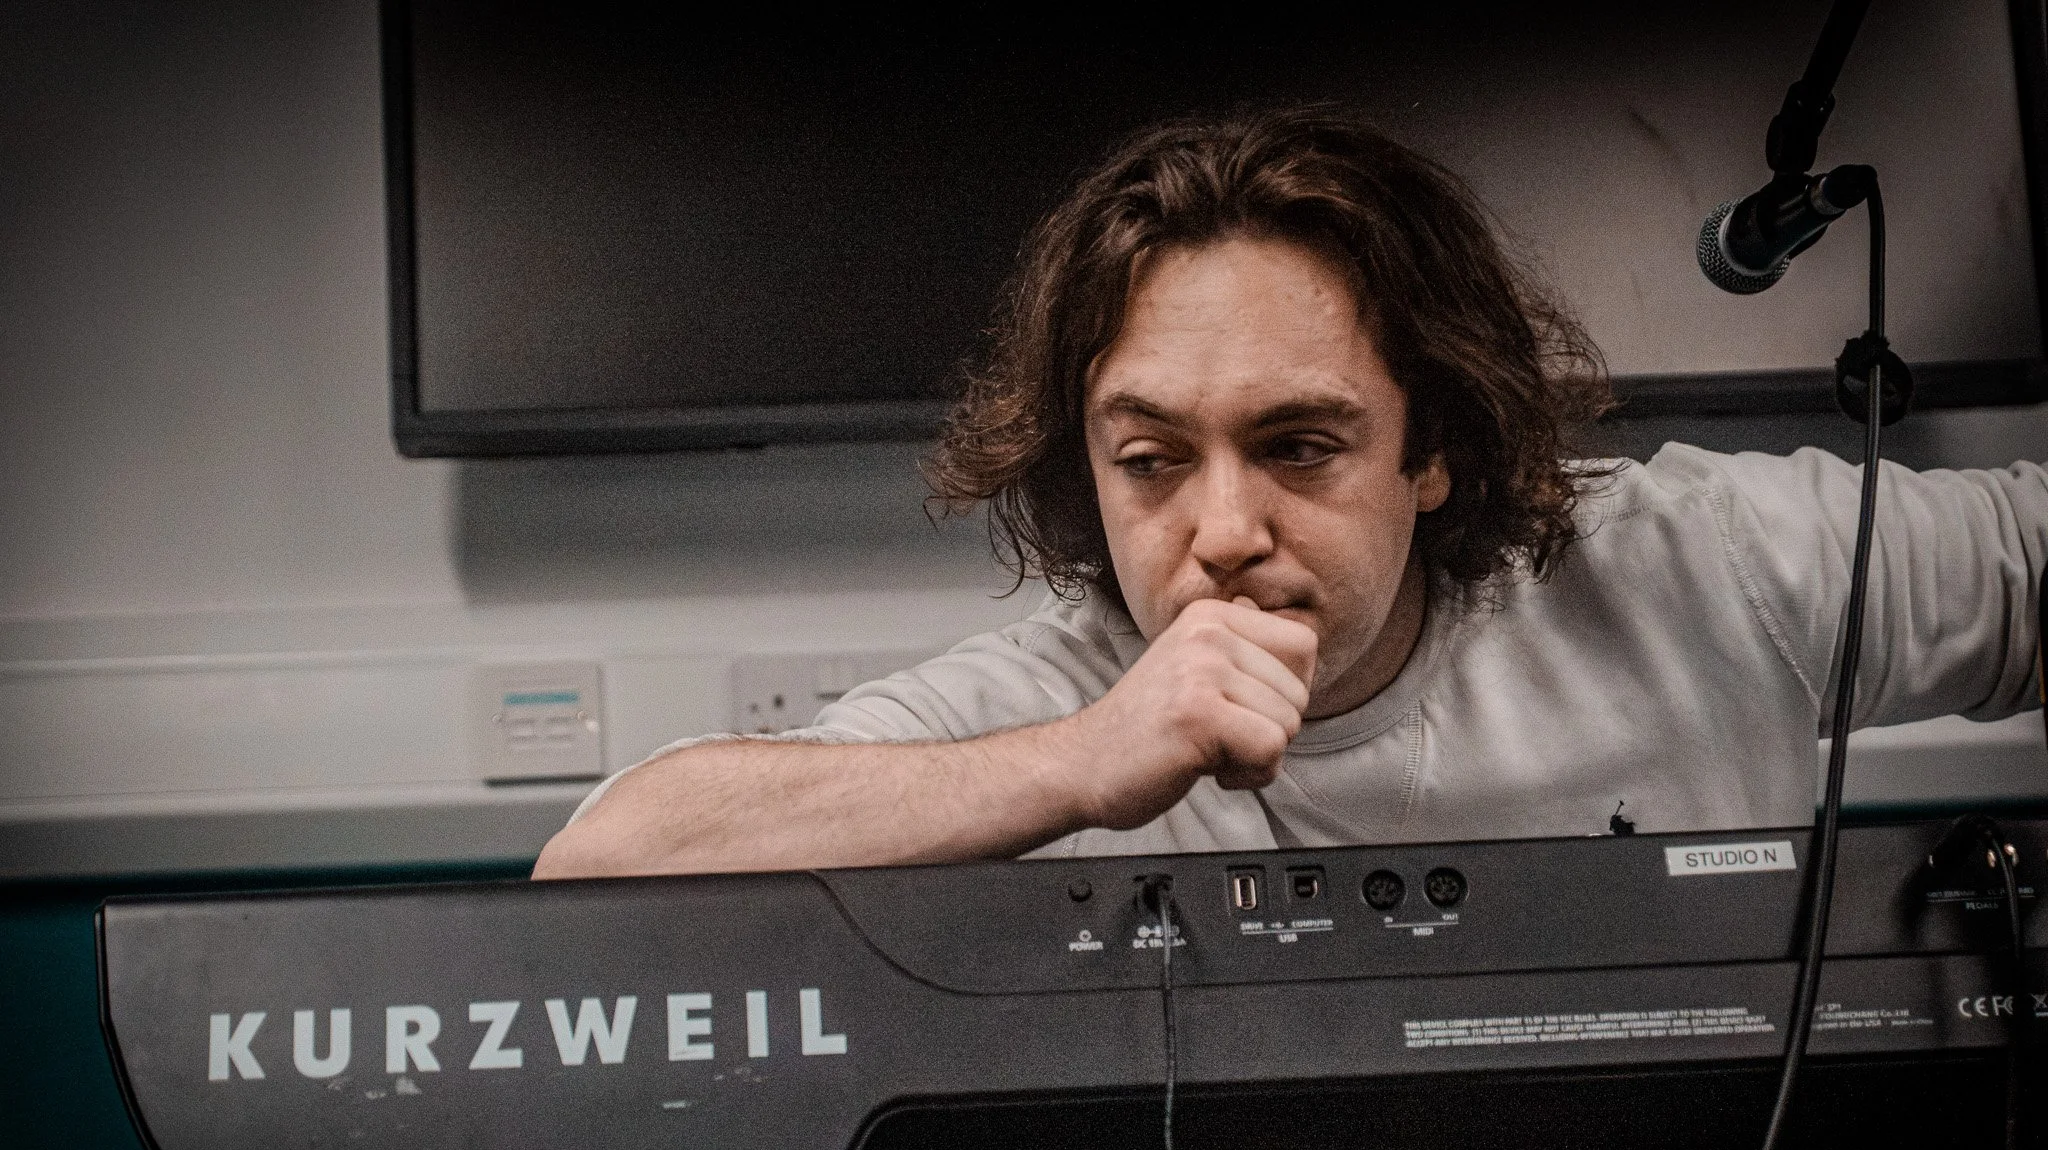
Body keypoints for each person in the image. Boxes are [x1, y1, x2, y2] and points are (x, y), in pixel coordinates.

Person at [532, 107, 2047, 881]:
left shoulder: (1705, 562)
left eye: (1301, 447)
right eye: (1150, 461)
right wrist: (1080, 764)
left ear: (1432, 446)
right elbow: (604, 861)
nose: (1221, 532)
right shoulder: (1068, 700)